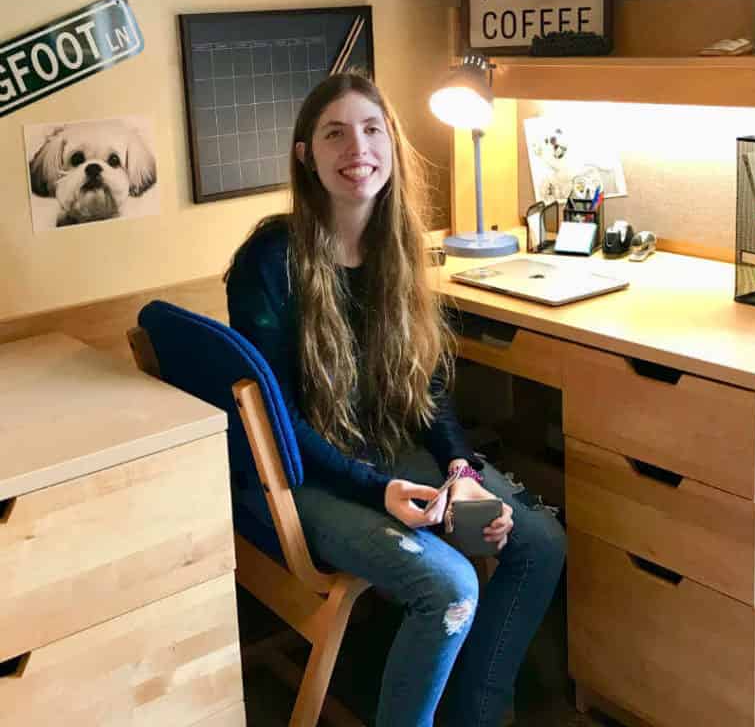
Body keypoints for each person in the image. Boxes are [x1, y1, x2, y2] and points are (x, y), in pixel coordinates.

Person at [225, 73, 566, 727]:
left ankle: (474, 714)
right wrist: (376, 488)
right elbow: (276, 423)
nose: (358, 147)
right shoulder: (269, 260)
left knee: (535, 541)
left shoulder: (400, 248)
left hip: (393, 461)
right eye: (335, 132)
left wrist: (462, 476)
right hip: (308, 479)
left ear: (392, 144)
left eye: (372, 128)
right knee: (449, 588)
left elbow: (424, 389)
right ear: (306, 155)